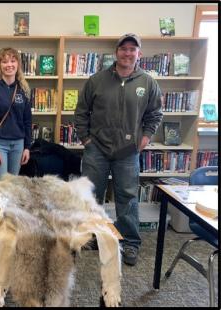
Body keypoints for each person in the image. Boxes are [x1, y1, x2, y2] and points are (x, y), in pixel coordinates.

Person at [74, 33, 163, 266]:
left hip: (128, 152)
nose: (127, 53)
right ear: (116, 53)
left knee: (128, 198)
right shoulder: (97, 80)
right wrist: (86, 140)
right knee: (92, 196)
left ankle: (130, 243)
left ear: (139, 54)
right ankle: (91, 237)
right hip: (97, 149)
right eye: (123, 48)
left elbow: (155, 114)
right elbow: (81, 112)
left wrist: (145, 137)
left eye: (132, 49)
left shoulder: (148, 82)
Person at [0, 47, 32, 181]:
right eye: (5, 62)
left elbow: (27, 121)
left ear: (18, 64)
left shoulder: (23, 89)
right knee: (0, 187)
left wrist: (27, 147)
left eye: (13, 61)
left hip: (18, 145)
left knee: (12, 187)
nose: (9, 65)